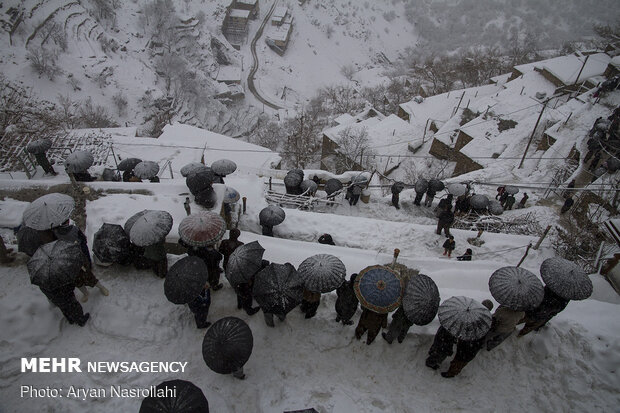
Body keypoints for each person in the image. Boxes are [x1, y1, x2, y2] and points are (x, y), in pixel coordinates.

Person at [53, 220, 109, 300]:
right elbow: (83, 241)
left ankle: (96, 288)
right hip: (69, 260)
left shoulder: (55, 234)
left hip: (73, 259)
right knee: (80, 279)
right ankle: (90, 291)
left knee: (83, 277)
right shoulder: (72, 230)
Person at [442, 300, 493, 378]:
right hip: (472, 346)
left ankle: (451, 373)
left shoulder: (475, 318)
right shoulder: (488, 321)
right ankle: (454, 368)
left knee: (460, 360)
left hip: (468, 345)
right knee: (461, 360)